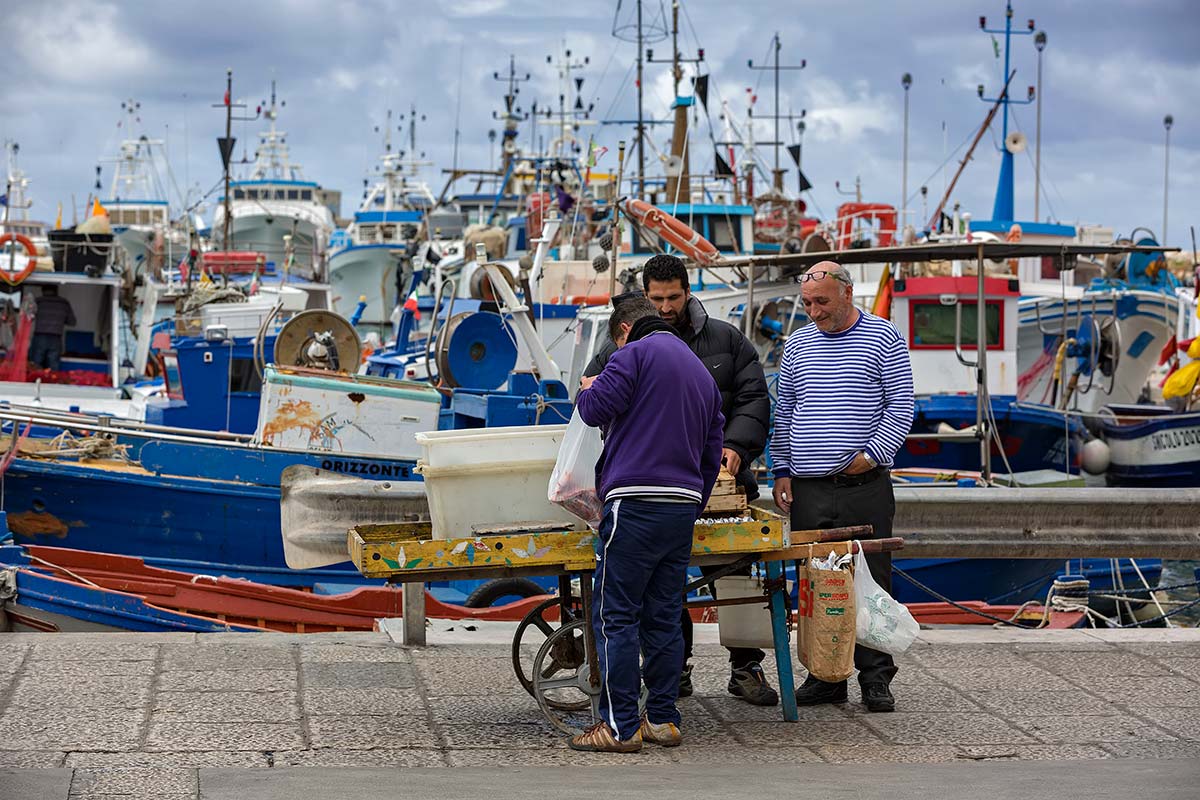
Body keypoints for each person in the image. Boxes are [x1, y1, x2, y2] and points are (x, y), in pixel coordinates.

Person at [584, 254, 777, 706]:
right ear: (646, 300)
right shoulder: (686, 367)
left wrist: (738, 447)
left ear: (687, 292)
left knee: (629, 609)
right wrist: (700, 483)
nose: (666, 306)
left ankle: (739, 668)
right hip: (687, 496)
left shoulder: (721, 340)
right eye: (657, 299)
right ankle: (669, 699)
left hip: (657, 496)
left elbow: (753, 398)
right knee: (666, 607)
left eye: (673, 297)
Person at [569, 295, 724, 753]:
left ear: (623, 330)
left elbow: (595, 409)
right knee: (662, 617)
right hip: (681, 507)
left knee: (615, 615)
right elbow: (712, 452)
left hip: (634, 502)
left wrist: (588, 387)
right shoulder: (701, 372)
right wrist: (692, 500)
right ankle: (663, 719)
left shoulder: (632, 354)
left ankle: (618, 728)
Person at [770, 261, 914, 713]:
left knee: (873, 580)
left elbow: (901, 404)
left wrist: (871, 454)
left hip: (863, 486)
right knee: (815, 584)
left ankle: (876, 677)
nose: (813, 311)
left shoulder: (884, 336)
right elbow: (785, 413)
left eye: (822, 302)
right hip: (810, 488)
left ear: (848, 294)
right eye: (807, 303)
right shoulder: (796, 344)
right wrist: (781, 470)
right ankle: (826, 676)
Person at [30, 284, 76, 371]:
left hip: (40, 337)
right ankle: (52, 382)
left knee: (35, 365)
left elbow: (29, 318)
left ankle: (34, 382)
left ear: (42, 291)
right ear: (56, 291)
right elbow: (72, 322)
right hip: (56, 338)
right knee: (53, 367)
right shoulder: (64, 303)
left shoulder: (38, 302)